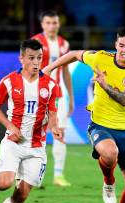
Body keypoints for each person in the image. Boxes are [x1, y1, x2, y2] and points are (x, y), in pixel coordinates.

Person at [43, 27, 125, 203]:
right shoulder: (100, 58)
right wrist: (50, 68)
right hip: (100, 125)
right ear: (116, 45)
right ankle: (109, 181)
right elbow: (74, 54)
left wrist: (104, 84)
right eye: (121, 45)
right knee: (110, 153)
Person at [0, 39, 63, 203]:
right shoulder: (9, 81)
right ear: (21, 59)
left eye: (39, 58)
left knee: (22, 194)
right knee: (5, 184)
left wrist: (55, 127)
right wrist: (10, 126)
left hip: (37, 148)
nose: (36, 62)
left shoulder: (51, 85)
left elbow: (52, 112)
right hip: (13, 142)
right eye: (31, 58)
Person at [31, 10, 74, 187]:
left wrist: (71, 97)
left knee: (60, 133)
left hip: (57, 95)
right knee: (33, 134)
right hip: (36, 95)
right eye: (48, 23)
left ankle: (58, 175)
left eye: (54, 22)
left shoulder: (64, 44)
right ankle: (32, 175)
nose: (52, 26)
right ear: (42, 25)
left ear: (59, 24)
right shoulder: (34, 42)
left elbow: (65, 73)